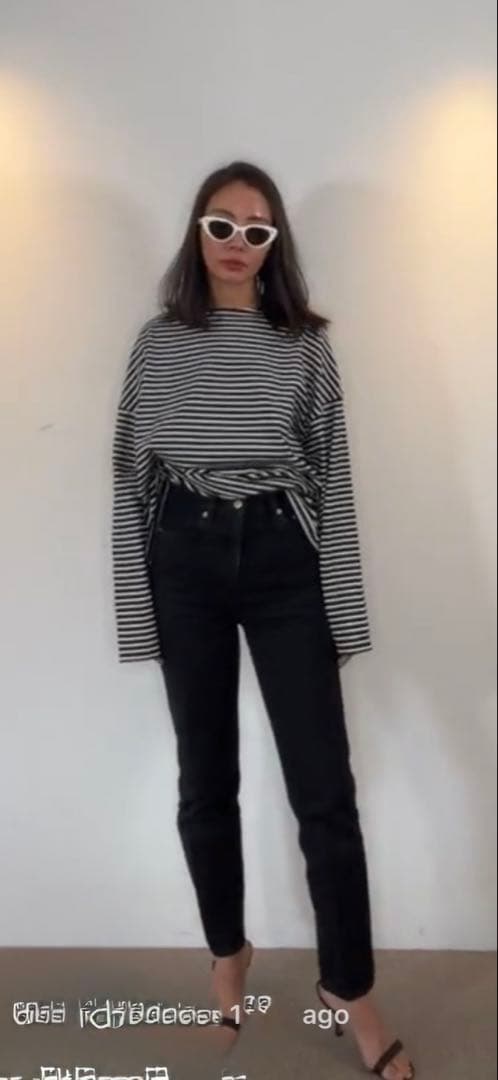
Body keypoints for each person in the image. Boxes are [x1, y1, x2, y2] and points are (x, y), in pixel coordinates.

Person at [111, 159, 416, 1079]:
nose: (237, 243)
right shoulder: (158, 343)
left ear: (275, 243)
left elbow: (335, 481)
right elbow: (130, 478)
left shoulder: (303, 346)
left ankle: (349, 988)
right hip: (183, 557)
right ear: (196, 231)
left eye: (257, 230)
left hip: (286, 557)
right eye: (221, 224)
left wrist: (343, 613)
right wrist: (138, 613)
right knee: (205, 779)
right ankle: (227, 951)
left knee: (325, 792)